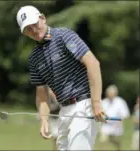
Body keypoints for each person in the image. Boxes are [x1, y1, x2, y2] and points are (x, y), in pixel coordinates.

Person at [16, 5, 107, 150]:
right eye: (28, 28)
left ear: (43, 19)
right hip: (63, 111)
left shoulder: (64, 36)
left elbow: (93, 64)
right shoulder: (34, 58)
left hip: (84, 105)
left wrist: (96, 104)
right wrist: (44, 120)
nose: (33, 30)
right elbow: (41, 93)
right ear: (25, 33)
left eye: (34, 24)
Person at [99, 85, 130, 150]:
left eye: (112, 94)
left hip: (117, 126)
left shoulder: (120, 101)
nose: (110, 95)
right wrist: (102, 116)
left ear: (115, 93)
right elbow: (101, 112)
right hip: (106, 126)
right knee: (103, 141)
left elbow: (125, 115)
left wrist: (119, 123)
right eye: (109, 93)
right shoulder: (104, 101)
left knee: (116, 143)